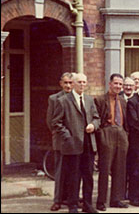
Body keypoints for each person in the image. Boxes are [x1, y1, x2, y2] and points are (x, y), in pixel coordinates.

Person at [52, 73, 100, 213]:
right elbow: (56, 123)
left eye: (84, 82)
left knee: (88, 176)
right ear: (73, 83)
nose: (82, 85)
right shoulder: (63, 101)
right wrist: (69, 137)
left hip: (89, 144)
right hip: (72, 145)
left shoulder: (89, 100)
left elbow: (97, 118)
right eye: (79, 82)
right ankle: (72, 205)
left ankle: (87, 204)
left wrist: (93, 125)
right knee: (73, 176)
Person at [94, 74, 129, 211]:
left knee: (120, 169)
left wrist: (125, 135)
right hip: (107, 133)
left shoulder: (123, 101)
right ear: (110, 84)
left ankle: (116, 199)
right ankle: (101, 201)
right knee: (105, 169)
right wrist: (101, 137)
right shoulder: (101, 99)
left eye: (120, 84)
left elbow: (126, 121)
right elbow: (97, 119)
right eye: (116, 83)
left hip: (121, 133)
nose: (118, 86)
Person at [46, 72, 73, 211]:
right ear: (61, 83)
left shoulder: (76, 97)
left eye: (70, 82)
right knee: (60, 171)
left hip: (75, 142)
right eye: (66, 82)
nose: (68, 85)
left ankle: (70, 198)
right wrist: (59, 134)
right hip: (61, 141)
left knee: (73, 172)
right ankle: (57, 200)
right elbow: (50, 120)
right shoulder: (54, 99)